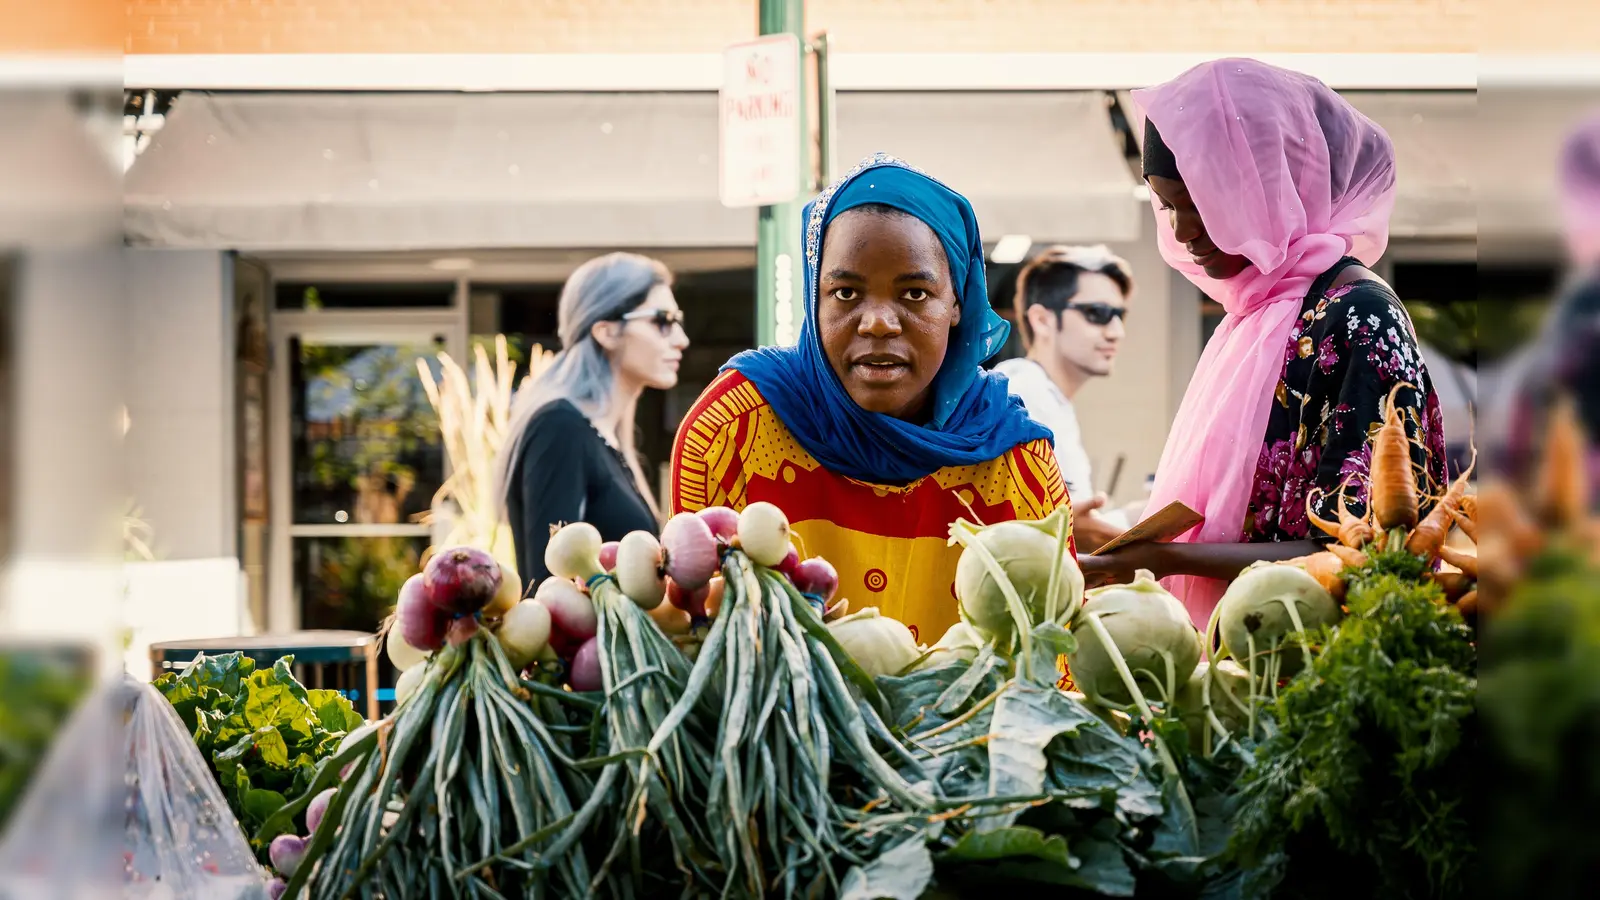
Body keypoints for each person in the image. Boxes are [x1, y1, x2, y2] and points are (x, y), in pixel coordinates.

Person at [1080, 59, 1447, 626]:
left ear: (1275, 187)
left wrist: (1165, 558)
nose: (1180, 232)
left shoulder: (1360, 317)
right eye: (1168, 206)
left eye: (1199, 204)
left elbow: (1375, 555)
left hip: (1320, 673)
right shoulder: (1253, 316)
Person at [671, 153, 1070, 641]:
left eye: (915, 294)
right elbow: (691, 632)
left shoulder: (1012, 461)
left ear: (957, 304)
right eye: (845, 293)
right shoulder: (732, 429)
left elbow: (1053, 667)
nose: (878, 321)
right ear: (813, 298)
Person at [497, 252, 689, 584]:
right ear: (606, 331)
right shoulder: (560, 428)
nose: (681, 339)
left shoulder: (604, 437)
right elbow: (550, 591)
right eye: (662, 320)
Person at [994, 245, 1134, 553]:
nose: (1116, 331)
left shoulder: (1045, 396)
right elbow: (1029, 532)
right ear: (1042, 319)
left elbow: (1060, 524)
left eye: (1119, 315)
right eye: (1097, 314)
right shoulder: (1021, 394)